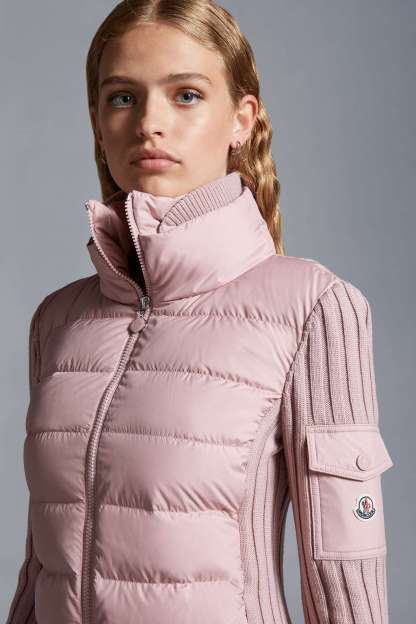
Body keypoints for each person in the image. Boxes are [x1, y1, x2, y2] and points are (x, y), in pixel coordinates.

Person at [6, 1, 394, 623]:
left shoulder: (312, 308)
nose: (149, 124)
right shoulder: (59, 320)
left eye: (186, 95)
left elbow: (344, 575)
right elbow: (41, 569)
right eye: (122, 98)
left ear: (242, 119)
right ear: (98, 123)